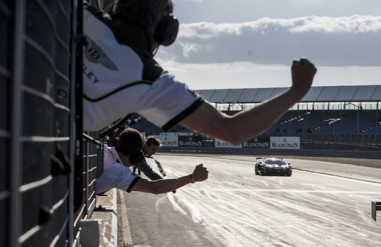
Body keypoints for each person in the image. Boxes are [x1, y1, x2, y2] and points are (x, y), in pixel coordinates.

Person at [82, 0, 317, 144]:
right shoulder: (151, 81)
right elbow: (233, 131)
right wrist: (297, 91)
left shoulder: (78, 15)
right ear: (166, 33)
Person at [97, 127, 207, 194]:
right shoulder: (117, 171)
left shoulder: (102, 149)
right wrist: (192, 178)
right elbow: (154, 187)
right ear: (136, 155)